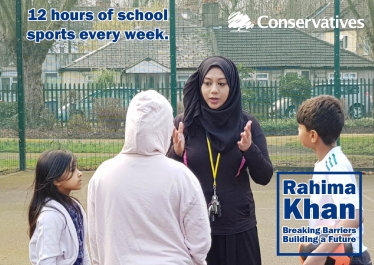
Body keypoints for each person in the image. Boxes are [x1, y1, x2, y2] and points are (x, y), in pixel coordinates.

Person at [167, 56, 274, 265]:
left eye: (221, 84)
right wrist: (175, 153)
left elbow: (264, 177)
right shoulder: (185, 123)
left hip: (238, 228)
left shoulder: (246, 124)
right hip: (193, 229)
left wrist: (249, 149)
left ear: (232, 86)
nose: (213, 90)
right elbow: (166, 182)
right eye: (207, 83)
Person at [87, 90, 211, 265]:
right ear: (166, 128)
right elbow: (200, 241)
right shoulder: (180, 176)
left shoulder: (103, 174)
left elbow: (95, 236)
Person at [296, 95, 372, 265]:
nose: (298, 131)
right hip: (335, 254)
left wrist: (320, 253)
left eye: (300, 128)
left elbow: (355, 216)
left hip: (348, 257)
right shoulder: (326, 163)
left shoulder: (335, 166)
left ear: (313, 135)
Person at [28, 149, 91, 265]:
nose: (79, 173)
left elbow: (81, 248)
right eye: (72, 169)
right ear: (56, 180)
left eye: (77, 168)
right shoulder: (50, 216)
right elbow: (47, 260)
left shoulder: (75, 206)